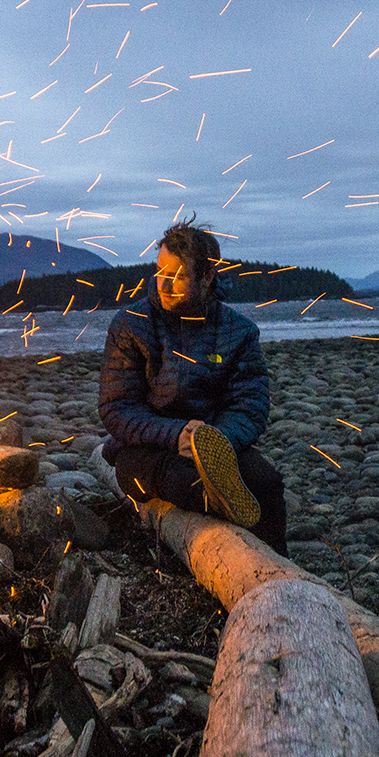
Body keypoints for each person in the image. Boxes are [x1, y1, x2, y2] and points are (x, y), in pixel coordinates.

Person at [98, 220, 286, 554]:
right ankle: (225, 541)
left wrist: (210, 442)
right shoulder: (131, 325)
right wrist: (176, 434)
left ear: (207, 277)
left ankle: (283, 573)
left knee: (267, 484)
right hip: (149, 447)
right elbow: (117, 408)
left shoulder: (239, 332)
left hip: (218, 445)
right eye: (160, 272)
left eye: (178, 276)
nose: (163, 285)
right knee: (185, 482)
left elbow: (250, 406)